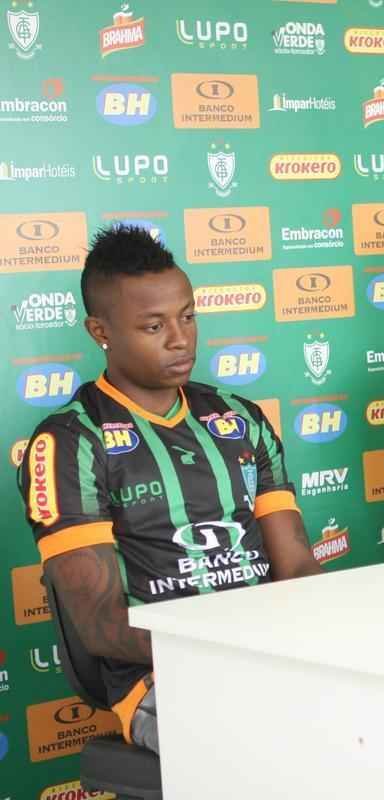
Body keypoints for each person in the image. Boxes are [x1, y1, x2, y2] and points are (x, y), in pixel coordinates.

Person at [17, 225, 322, 754]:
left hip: (271, 657)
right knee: (274, 749)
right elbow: (100, 624)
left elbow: (295, 567)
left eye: (187, 316)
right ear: (100, 330)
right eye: (154, 325)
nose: (181, 339)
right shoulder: (70, 441)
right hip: (160, 680)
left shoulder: (239, 418)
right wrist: (235, 650)